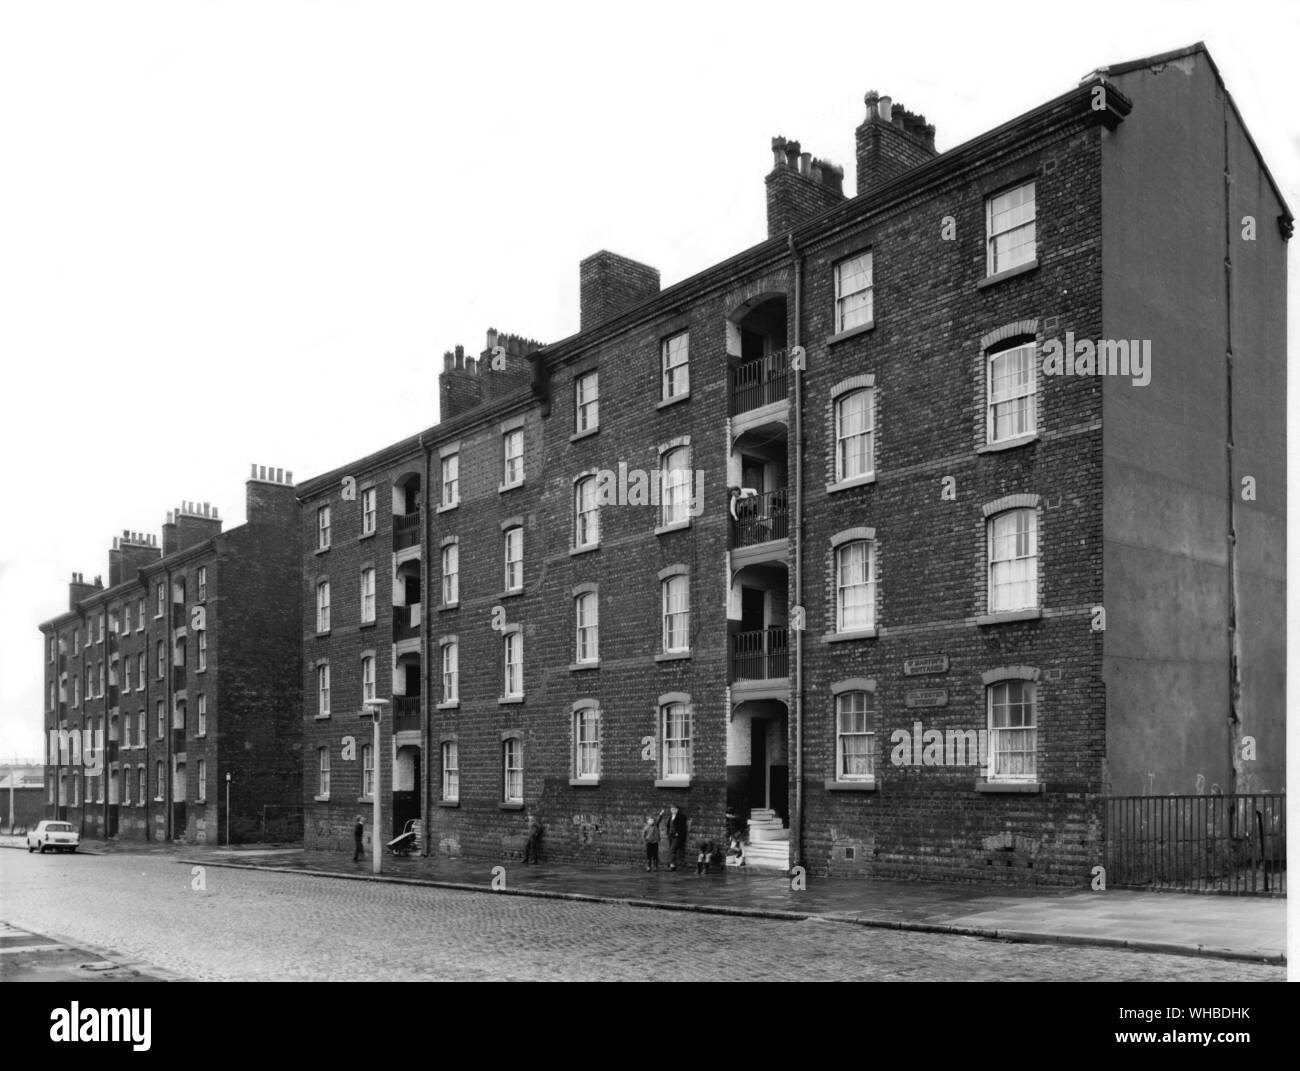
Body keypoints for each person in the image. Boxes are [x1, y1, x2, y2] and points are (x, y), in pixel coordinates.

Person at [666, 805, 688, 871]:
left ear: (677, 810)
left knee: (672, 850)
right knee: (672, 850)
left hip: (677, 836)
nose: (673, 810)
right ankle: (674, 865)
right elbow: (668, 826)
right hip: (670, 835)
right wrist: (668, 833)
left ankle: (672, 865)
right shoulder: (670, 817)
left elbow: (683, 827)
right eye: (672, 809)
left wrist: (678, 833)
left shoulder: (681, 817)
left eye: (674, 809)